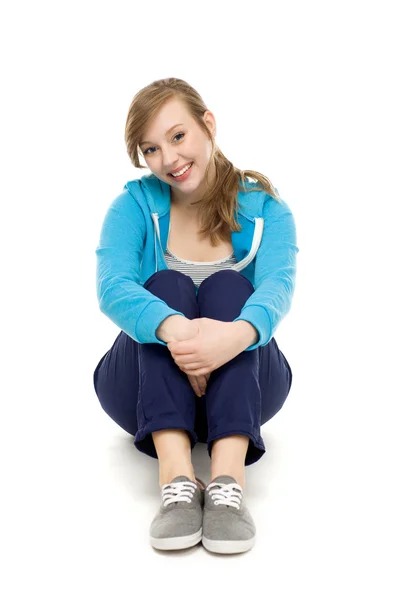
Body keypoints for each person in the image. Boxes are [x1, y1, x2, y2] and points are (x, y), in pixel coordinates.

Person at [93, 77, 299, 554]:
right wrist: (181, 332)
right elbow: (112, 287)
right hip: (142, 388)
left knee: (232, 287)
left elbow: (278, 287)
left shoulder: (267, 209)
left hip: (246, 387)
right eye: (151, 148)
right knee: (165, 286)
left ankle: (227, 484)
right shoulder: (133, 205)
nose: (168, 159)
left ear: (208, 124)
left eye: (178, 136)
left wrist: (233, 337)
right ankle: (177, 481)